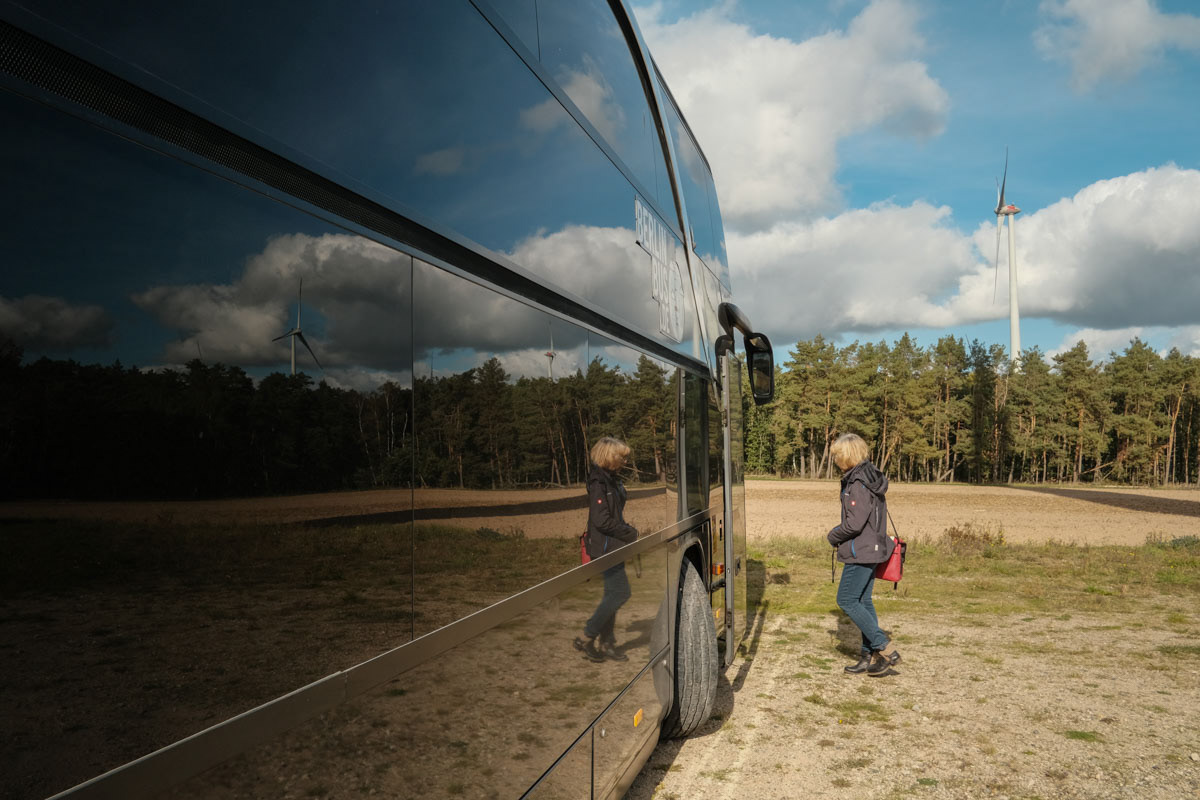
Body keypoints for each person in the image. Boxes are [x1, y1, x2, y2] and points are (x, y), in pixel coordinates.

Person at [826, 433, 900, 677]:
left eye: (837, 455)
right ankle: (868, 658)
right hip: (872, 548)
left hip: (862, 549)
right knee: (864, 601)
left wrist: (833, 536)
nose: (835, 460)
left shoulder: (858, 483)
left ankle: (884, 646)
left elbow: (854, 524)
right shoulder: (869, 477)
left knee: (846, 600)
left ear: (848, 456)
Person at [574, 436, 638, 663]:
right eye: (622, 456)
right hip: (604, 548)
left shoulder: (611, 480)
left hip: (613, 546)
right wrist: (628, 533)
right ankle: (587, 636)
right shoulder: (598, 482)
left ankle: (606, 642)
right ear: (610, 457)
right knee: (620, 592)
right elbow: (602, 521)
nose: (625, 460)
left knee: (614, 592)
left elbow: (614, 515)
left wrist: (625, 532)